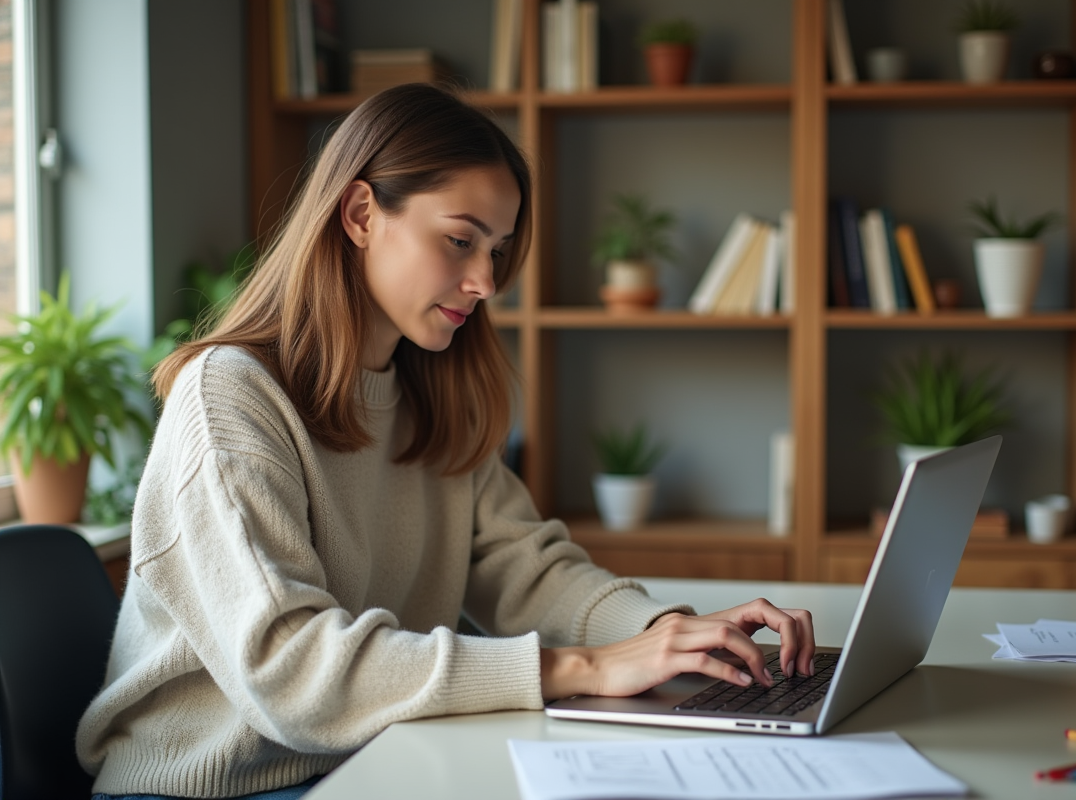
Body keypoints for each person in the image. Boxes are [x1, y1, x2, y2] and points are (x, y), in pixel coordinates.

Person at [76, 83, 815, 800]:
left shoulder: (426, 389)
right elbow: (293, 673)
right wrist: (585, 666)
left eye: (495, 251)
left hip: (362, 760)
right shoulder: (230, 395)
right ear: (362, 213)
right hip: (211, 786)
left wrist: (668, 632)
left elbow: (524, 568)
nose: (486, 281)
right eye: (460, 240)